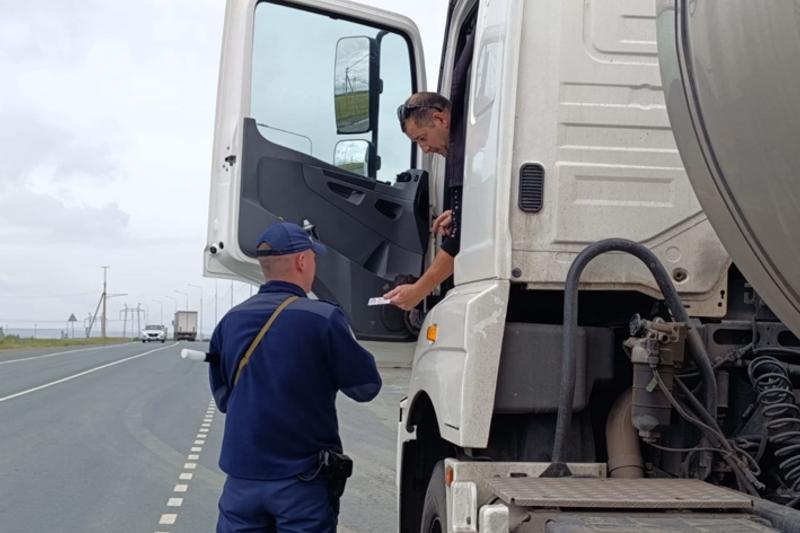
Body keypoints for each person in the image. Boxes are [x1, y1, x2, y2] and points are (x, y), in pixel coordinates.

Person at [208, 221, 382, 533]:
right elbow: (366, 387)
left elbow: (223, 399)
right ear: (302, 260)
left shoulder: (229, 321)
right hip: (302, 481)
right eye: (314, 258)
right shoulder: (323, 318)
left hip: (241, 482)